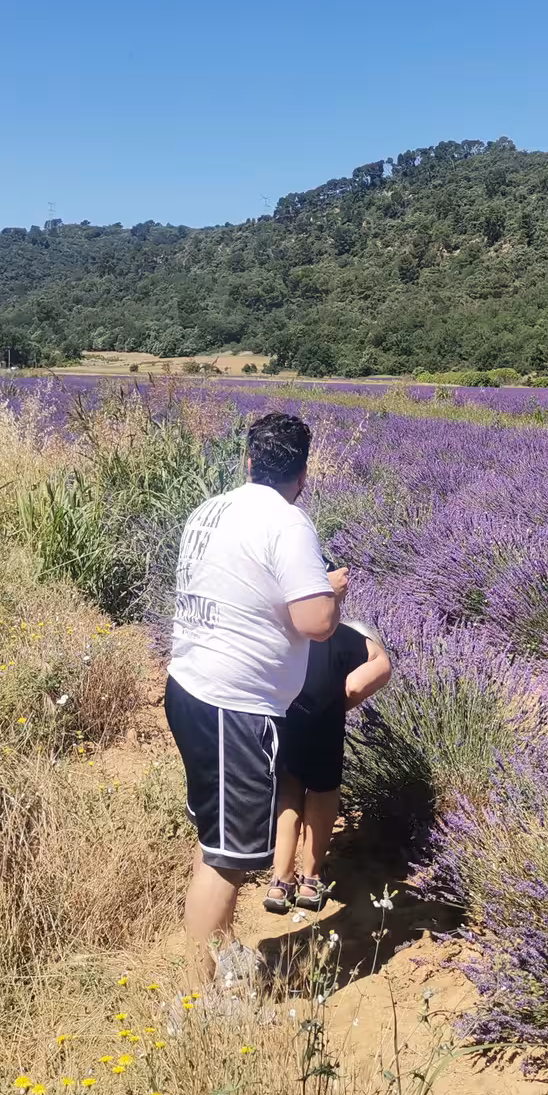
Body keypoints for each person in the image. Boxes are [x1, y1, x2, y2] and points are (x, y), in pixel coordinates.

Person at [164, 411, 345, 997]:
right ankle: (196, 999)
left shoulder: (212, 508)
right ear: (303, 472)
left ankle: (212, 960)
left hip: (189, 686)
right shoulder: (288, 522)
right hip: (234, 707)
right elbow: (314, 622)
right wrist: (332, 592)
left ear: (247, 461)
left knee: (215, 840)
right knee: (230, 860)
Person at [265, 617, 391, 913]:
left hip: (285, 710)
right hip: (321, 716)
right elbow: (359, 683)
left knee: (289, 789)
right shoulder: (356, 642)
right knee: (323, 790)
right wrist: (334, 707)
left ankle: (280, 882)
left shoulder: (289, 627)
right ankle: (310, 881)